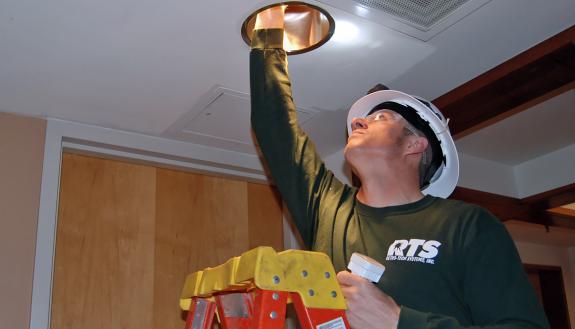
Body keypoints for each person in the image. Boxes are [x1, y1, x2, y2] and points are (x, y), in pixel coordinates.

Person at [249, 7, 550, 329]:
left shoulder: (467, 225)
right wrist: (268, 37)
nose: (357, 121)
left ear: (415, 144)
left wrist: (398, 320)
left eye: (382, 118)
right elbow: (275, 129)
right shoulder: (329, 208)